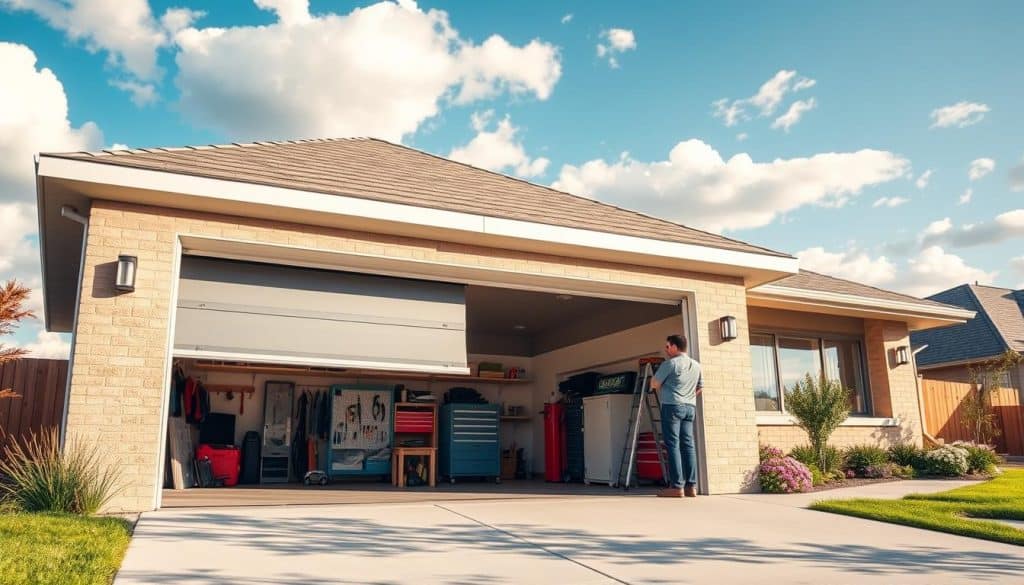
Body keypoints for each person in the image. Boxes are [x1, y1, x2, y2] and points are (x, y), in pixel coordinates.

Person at [650, 334, 702, 498]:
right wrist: (688, 396)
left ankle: (677, 486)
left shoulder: (670, 364)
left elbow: (654, 384)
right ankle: (691, 487)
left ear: (674, 346)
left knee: (673, 444)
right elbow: (700, 387)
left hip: (672, 406)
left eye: (667, 346)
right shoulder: (696, 365)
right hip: (689, 407)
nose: (666, 349)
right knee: (688, 445)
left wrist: (669, 388)